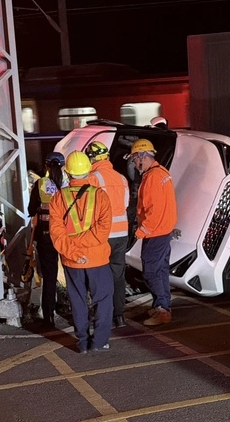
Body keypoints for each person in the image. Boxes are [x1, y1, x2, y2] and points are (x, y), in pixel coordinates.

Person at [49, 151, 113, 353]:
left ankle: (83, 343)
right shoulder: (101, 196)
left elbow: (56, 234)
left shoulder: (58, 198)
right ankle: (100, 341)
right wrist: (84, 247)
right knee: (102, 301)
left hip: (72, 261)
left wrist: (74, 251)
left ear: (67, 173)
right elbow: (102, 232)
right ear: (88, 171)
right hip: (97, 258)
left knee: (77, 301)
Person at [130, 139, 177, 326]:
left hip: (155, 233)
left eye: (134, 159)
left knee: (151, 272)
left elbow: (153, 210)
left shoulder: (152, 178)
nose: (134, 163)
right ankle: (163, 304)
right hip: (164, 231)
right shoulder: (161, 173)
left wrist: (141, 232)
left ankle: (162, 311)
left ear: (142, 157)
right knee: (161, 271)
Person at [85, 141, 130, 328]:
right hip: (122, 234)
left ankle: (103, 316)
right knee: (118, 275)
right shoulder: (121, 178)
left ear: (92, 158)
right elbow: (126, 204)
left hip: (102, 234)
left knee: (99, 276)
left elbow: (87, 210)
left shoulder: (92, 178)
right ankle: (119, 315)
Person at [27, 151, 68, 326]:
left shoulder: (40, 184)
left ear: (46, 166)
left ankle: (49, 316)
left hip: (46, 235)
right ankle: (78, 311)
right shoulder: (70, 184)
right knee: (74, 275)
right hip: (68, 236)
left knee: (49, 277)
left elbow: (30, 210)